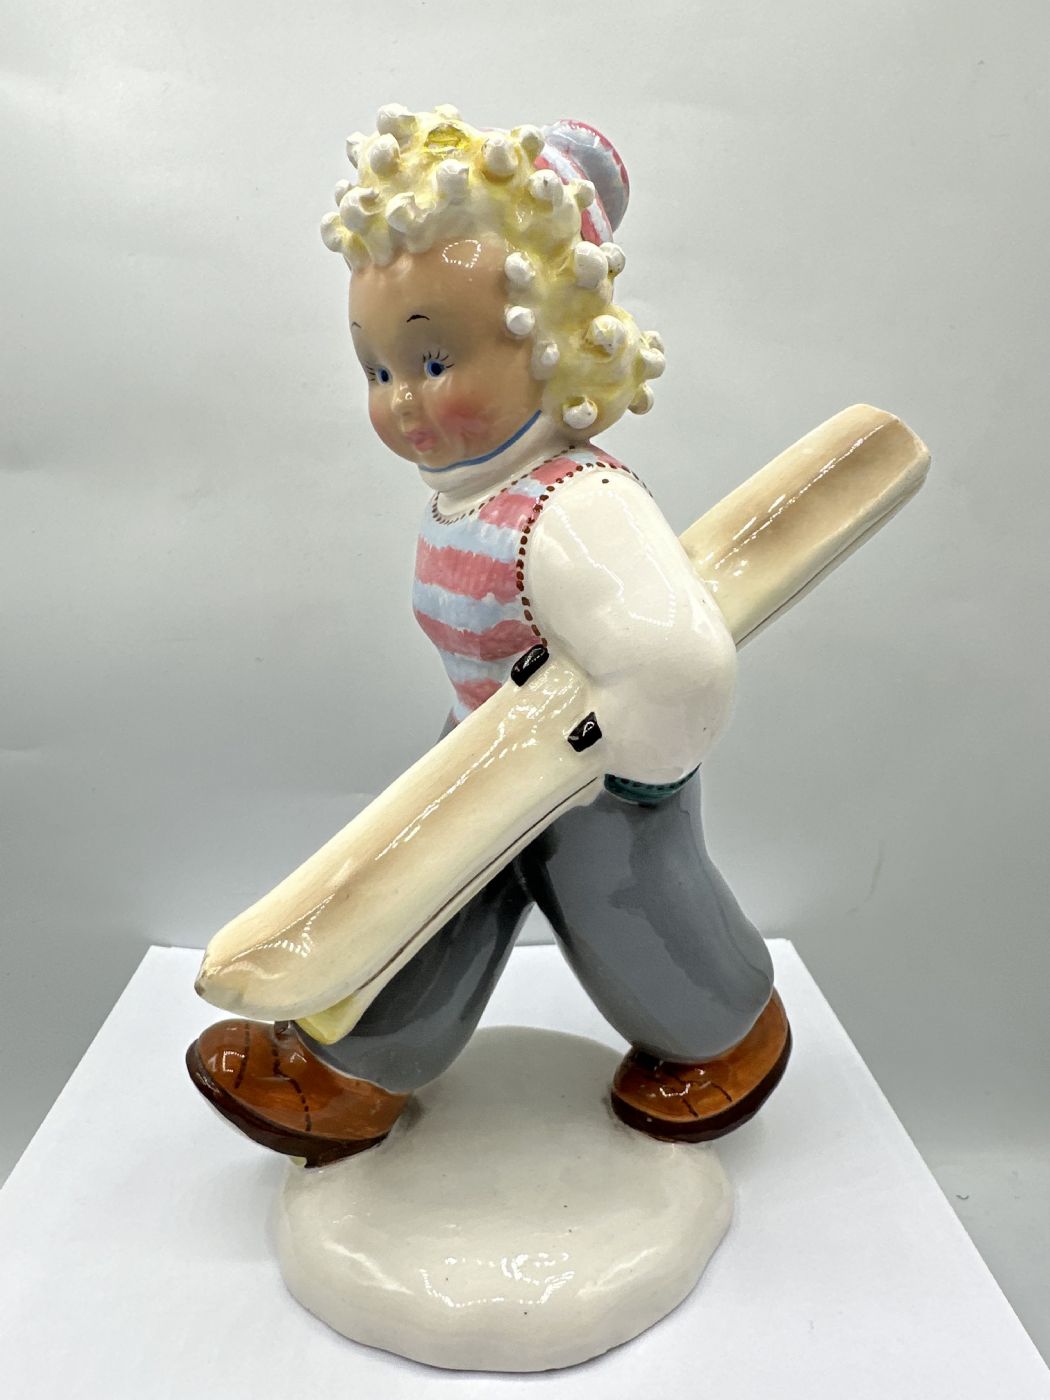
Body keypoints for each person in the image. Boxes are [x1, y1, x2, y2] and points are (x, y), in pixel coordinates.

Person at [186, 105, 791, 1168]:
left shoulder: (576, 507)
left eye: (432, 359)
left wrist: (611, 760)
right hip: (487, 743)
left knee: (630, 914)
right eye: (377, 370)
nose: (401, 402)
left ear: (551, 345)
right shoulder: (475, 496)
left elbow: (681, 660)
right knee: (425, 897)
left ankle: (725, 1029)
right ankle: (356, 1065)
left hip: (598, 779)